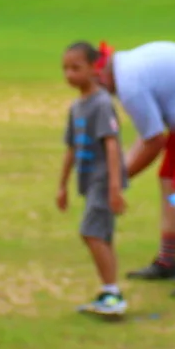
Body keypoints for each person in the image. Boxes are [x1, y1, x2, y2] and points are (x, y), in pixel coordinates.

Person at [91, 40, 175, 289]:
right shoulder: (127, 71)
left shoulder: (129, 86)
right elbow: (149, 132)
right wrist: (117, 174)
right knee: (170, 182)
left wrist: (118, 181)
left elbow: (154, 142)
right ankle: (168, 260)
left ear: (101, 75)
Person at [57, 43, 128, 317]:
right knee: (102, 236)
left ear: (93, 68)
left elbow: (112, 145)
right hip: (89, 181)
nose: (69, 74)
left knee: (91, 232)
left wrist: (114, 186)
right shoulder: (77, 106)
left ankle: (112, 292)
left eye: (76, 68)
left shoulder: (101, 104)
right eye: (65, 69)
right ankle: (109, 290)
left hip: (102, 179)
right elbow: (72, 148)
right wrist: (62, 185)